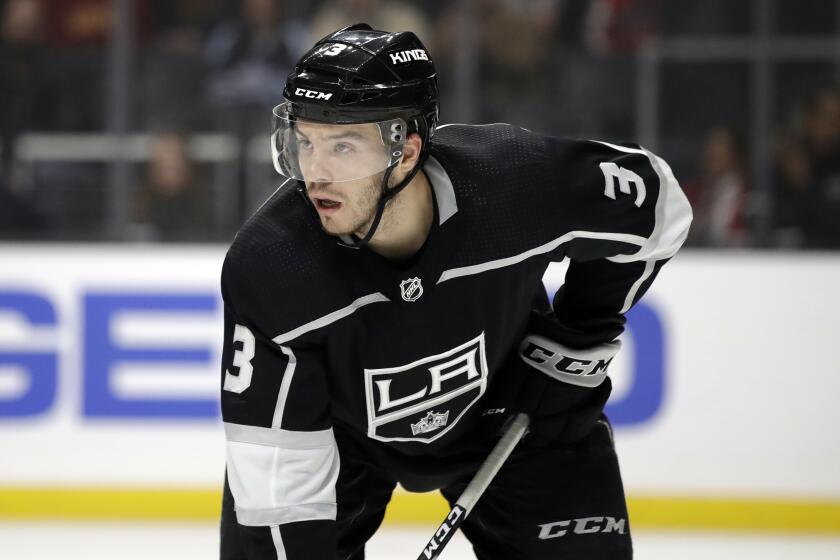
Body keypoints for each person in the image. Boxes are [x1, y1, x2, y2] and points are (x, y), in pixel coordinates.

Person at [219, 23, 692, 559]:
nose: (315, 174)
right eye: (304, 143)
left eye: (342, 146)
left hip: (514, 412)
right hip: (341, 440)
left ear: (406, 150)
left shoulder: (513, 185)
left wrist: (583, 331)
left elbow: (659, 203)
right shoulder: (272, 267)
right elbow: (277, 496)